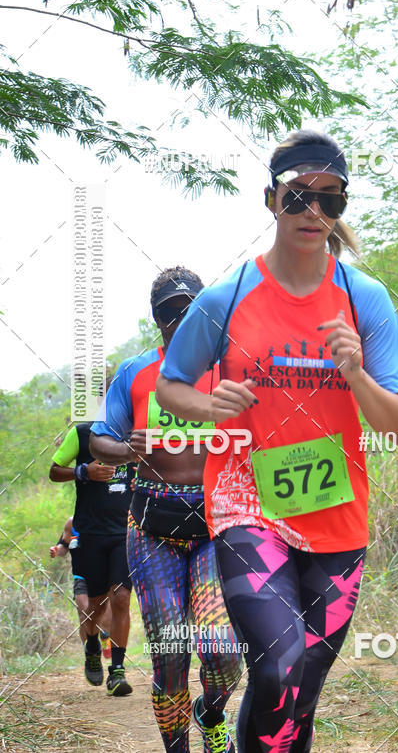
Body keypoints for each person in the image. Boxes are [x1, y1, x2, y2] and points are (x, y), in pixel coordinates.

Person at [156, 129, 398, 752]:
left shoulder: (364, 298)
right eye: (299, 195)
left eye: (331, 199)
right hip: (247, 506)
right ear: (271, 199)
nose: (313, 211)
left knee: (303, 687)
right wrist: (209, 404)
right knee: (279, 662)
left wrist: (355, 374)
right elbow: (171, 386)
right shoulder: (226, 298)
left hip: (335, 513)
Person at [90, 267, 243, 753]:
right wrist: (127, 450)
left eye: (189, 309)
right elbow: (99, 441)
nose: (179, 320)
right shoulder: (135, 372)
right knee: (170, 653)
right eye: (168, 312)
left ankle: (211, 713)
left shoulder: (231, 369)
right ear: (156, 319)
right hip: (152, 529)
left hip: (216, 526)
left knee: (222, 651)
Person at [49, 417, 135, 695]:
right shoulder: (82, 432)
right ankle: (92, 645)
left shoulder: (139, 432)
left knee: (121, 598)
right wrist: (84, 472)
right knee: (94, 605)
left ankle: (117, 671)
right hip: (89, 534)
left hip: (125, 532)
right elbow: (54, 471)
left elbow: (157, 469)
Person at [49, 515, 112, 654]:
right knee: (84, 614)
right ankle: (89, 652)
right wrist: (56, 550)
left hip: (104, 575)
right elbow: (63, 546)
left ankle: (105, 636)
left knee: (105, 614)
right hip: (81, 576)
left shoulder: (106, 518)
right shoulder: (72, 523)